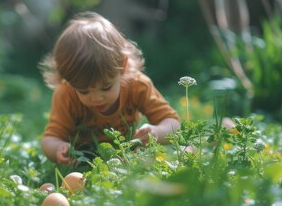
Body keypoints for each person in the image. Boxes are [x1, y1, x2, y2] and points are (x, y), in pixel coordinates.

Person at [40, 11, 180, 165]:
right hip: (84, 161)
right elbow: (49, 139)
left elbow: (173, 124)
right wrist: (58, 148)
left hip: (126, 158)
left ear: (122, 65)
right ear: (67, 79)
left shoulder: (137, 85)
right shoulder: (65, 93)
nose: (96, 98)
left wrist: (156, 133)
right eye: (84, 91)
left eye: (106, 87)